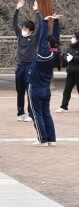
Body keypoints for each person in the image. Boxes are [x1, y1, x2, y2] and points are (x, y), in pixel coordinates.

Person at [27, 13, 62, 147]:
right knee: (46, 113)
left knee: (37, 114)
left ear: (46, 45)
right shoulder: (55, 53)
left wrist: (45, 21)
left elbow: (42, 38)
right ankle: (51, 138)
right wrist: (56, 22)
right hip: (45, 88)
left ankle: (42, 139)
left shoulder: (43, 54)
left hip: (35, 87)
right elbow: (56, 39)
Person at [13, 0, 43, 122]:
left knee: (30, 91)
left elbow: (41, 26)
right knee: (19, 90)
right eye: (23, 28)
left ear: (30, 31)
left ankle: (31, 114)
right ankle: (20, 113)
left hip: (31, 66)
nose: (23, 30)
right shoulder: (20, 36)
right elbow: (14, 23)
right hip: (20, 66)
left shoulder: (35, 38)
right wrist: (17, 9)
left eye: (26, 29)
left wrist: (37, 12)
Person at [56, 31, 79, 113]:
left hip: (78, 73)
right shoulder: (71, 47)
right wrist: (65, 57)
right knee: (67, 90)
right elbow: (67, 55)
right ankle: (64, 106)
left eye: (74, 37)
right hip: (71, 72)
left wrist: (73, 58)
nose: (72, 38)